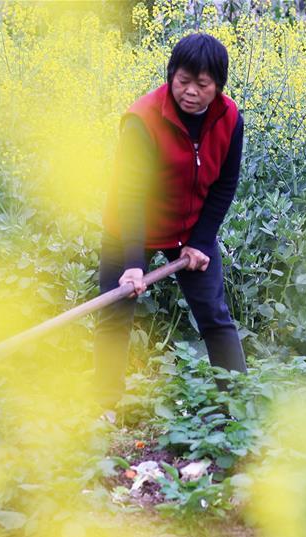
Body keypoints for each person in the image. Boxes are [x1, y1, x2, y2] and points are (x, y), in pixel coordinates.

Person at [94, 33, 247, 416]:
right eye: (183, 81)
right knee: (114, 316)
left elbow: (225, 184)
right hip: (132, 227)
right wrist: (133, 263)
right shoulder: (142, 120)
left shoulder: (229, 119)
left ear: (218, 86)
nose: (191, 92)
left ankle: (237, 408)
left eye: (202, 84)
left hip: (191, 230)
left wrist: (200, 240)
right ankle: (103, 410)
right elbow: (130, 195)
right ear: (170, 76)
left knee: (214, 315)